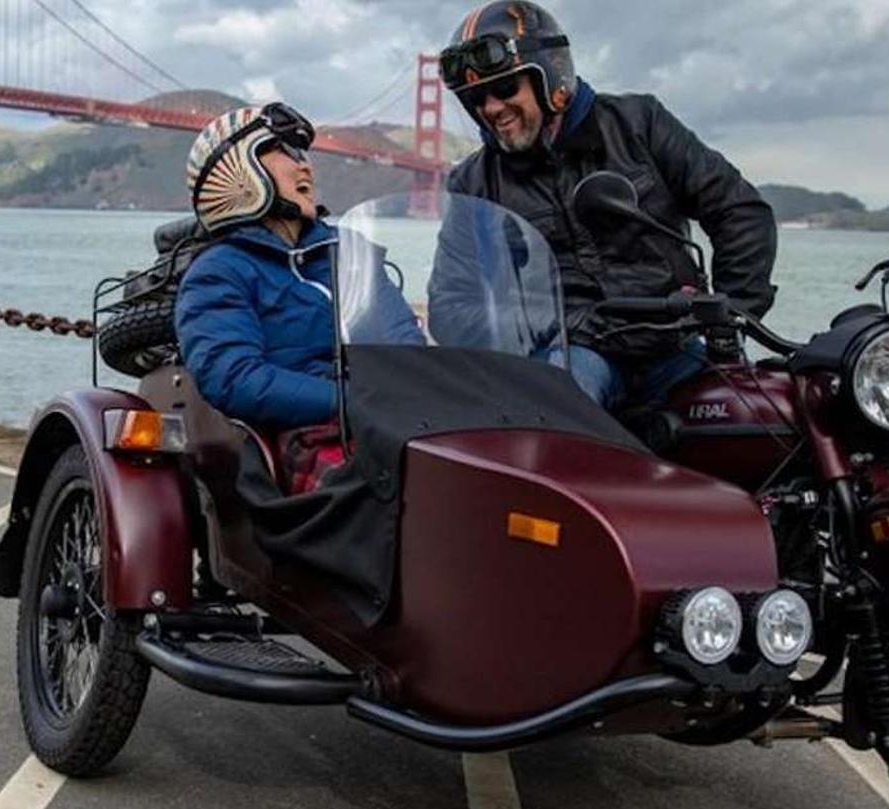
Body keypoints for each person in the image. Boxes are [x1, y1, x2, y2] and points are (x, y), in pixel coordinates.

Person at [435, 1, 778, 411]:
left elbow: (739, 211)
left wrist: (730, 315)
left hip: (675, 345)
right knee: (564, 404)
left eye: (506, 88)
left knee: (777, 411)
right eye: (476, 97)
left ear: (549, 75)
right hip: (576, 355)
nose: (491, 107)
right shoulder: (473, 182)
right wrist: (559, 326)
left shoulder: (638, 124)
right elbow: (451, 306)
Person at [174, 103, 422, 490]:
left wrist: (416, 392)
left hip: (388, 418)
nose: (305, 166)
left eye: (304, 154)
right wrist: (346, 401)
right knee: (396, 491)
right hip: (307, 432)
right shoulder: (218, 271)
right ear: (237, 173)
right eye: (285, 152)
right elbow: (235, 378)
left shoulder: (349, 250)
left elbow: (406, 342)